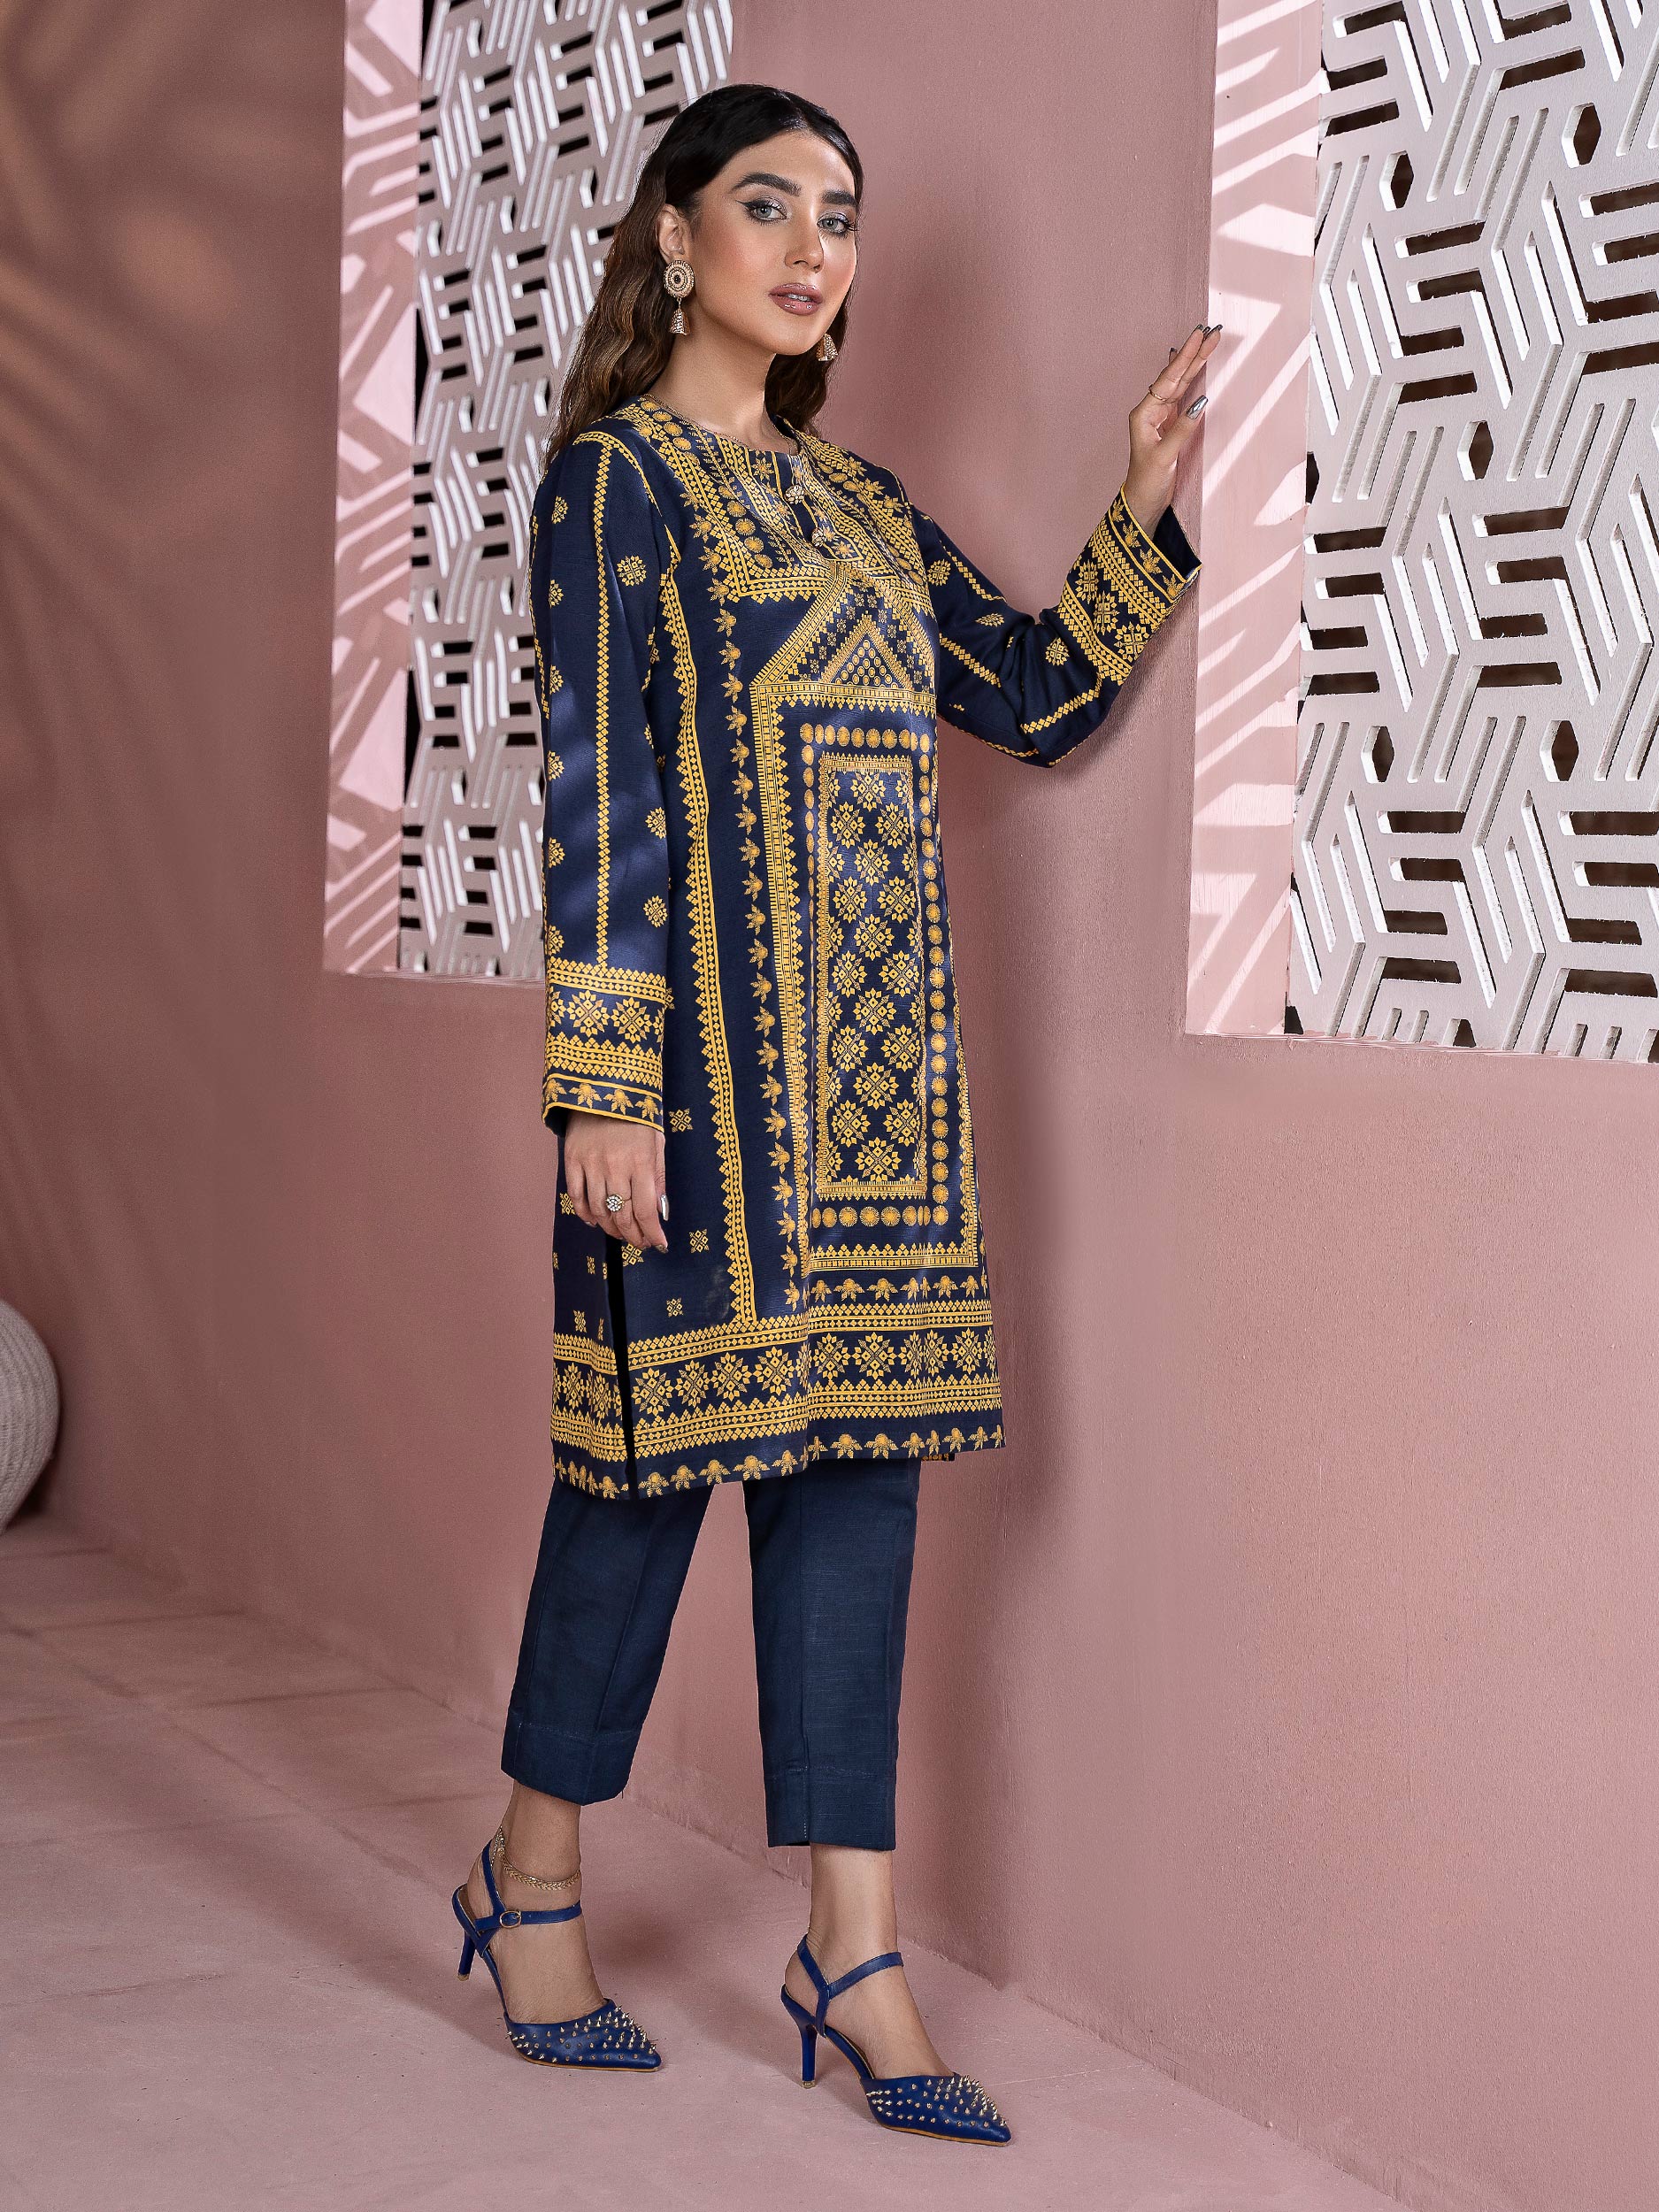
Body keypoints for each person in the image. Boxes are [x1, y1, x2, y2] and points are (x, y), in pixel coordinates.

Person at [450, 81, 1216, 2141]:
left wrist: (1136, 501)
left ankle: (852, 1951)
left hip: (882, 1111)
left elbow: (1033, 693)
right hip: (695, 1091)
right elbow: (598, 783)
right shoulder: (615, 485)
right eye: (770, 205)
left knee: (860, 1494)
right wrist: (601, 1090)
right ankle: (529, 1874)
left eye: (841, 217)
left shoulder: (864, 507)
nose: (813, 249)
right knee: (636, 1480)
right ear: (676, 233)